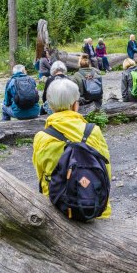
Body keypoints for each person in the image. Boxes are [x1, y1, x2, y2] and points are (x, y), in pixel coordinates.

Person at [32, 78, 111, 218]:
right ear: (75, 105)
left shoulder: (41, 137)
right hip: (93, 205)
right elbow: (106, 171)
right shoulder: (93, 131)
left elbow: (41, 175)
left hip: (56, 207)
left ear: (50, 105)